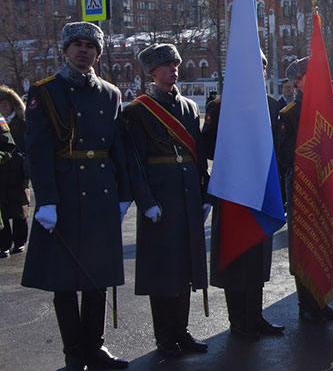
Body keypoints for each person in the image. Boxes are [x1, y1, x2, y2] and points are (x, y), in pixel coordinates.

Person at [21, 22, 131, 371]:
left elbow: (118, 148)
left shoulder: (110, 93)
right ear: (65, 50)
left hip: (100, 192)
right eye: (77, 44)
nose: (84, 51)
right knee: (65, 278)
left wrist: (123, 194)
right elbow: (37, 150)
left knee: (97, 275)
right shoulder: (46, 92)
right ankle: (73, 352)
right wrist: (47, 199)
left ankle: (95, 347)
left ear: (98, 53)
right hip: (65, 193)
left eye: (90, 46)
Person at [124, 43, 209, 357]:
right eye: (166, 65)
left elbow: (197, 154)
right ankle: (164, 336)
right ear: (151, 72)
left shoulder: (188, 107)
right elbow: (133, 161)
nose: (173, 69)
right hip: (160, 198)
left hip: (186, 195)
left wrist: (204, 193)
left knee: (185, 268)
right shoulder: (137, 110)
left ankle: (182, 332)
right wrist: (146, 202)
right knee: (163, 270)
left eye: (175, 64)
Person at [205, 53, 286, 336]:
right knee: (235, 254)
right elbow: (207, 147)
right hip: (233, 192)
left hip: (261, 190)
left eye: (263, 67)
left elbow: (276, 150)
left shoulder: (271, 104)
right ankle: (238, 319)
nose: (259, 72)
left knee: (257, 256)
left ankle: (256, 315)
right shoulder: (221, 106)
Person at [275, 57, 333, 323]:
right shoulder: (290, 113)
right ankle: (307, 304)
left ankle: (322, 301)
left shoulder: (330, 110)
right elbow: (284, 154)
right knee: (306, 244)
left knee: (325, 242)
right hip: (303, 187)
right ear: (298, 82)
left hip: (327, 184)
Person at [0, 85, 28, 256]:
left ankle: (19, 241)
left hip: (18, 171)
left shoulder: (21, 122)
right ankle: (3, 243)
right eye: (0, 104)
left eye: (5, 104)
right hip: (2, 172)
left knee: (19, 209)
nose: (3, 107)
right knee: (2, 210)